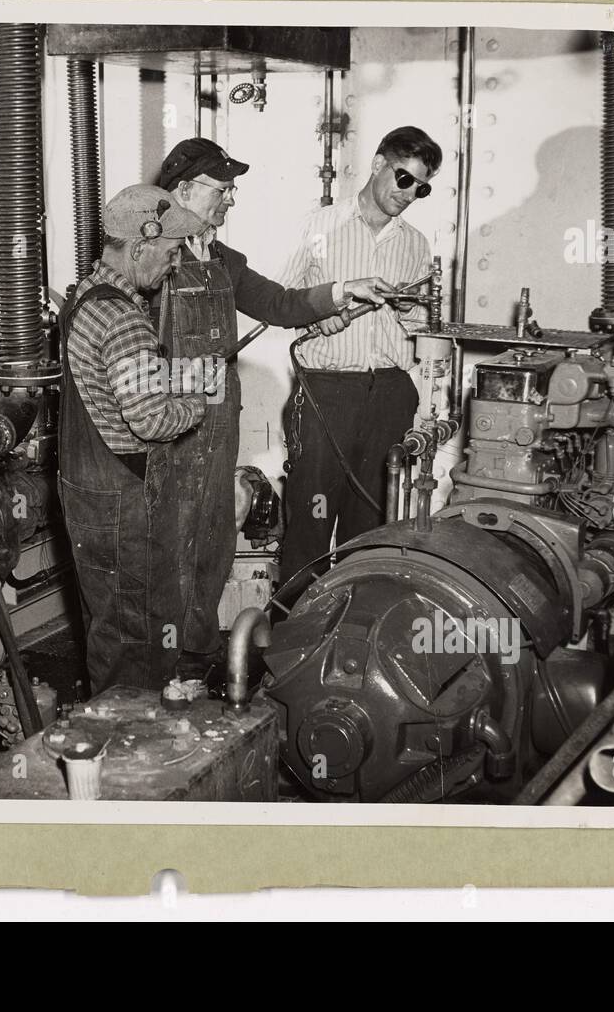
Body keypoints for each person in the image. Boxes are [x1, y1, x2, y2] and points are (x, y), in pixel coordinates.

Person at [155, 137, 396, 678]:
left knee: (213, 542)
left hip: (215, 426)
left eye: (233, 190)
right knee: (167, 549)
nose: (231, 200)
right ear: (184, 190)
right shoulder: (153, 261)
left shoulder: (220, 259)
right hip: (167, 429)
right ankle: (159, 669)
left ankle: (194, 663)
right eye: (223, 189)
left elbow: (282, 303)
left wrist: (342, 292)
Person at [58, 184, 218, 694]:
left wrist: (176, 374)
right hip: (121, 502)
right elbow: (150, 422)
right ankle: (132, 750)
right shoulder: (126, 316)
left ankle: (114, 743)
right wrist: (196, 405)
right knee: (136, 637)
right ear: (139, 245)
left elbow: (119, 379)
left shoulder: (86, 294)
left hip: (86, 491)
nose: (173, 266)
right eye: (170, 253)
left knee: (108, 625)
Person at [276, 125, 443, 585]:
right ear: (376, 164)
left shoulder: (415, 245)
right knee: (310, 522)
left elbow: (419, 330)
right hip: (328, 391)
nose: (409, 194)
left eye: (421, 187)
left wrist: (413, 313)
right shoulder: (319, 226)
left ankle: (352, 634)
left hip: (390, 393)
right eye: (402, 178)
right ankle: (294, 635)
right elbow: (279, 301)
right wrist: (317, 316)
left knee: (371, 526)